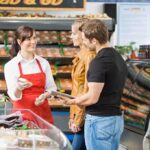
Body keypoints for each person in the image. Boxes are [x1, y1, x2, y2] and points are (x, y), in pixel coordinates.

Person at [59, 19, 128, 150]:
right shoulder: (118, 57)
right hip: (116, 120)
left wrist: (72, 101)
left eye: (85, 39)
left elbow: (92, 97)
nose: (84, 42)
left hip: (100, 121)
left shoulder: (99, 61)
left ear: (94, 40)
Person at [4, 26, 57, 126]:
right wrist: (18, 88)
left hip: (43, 113)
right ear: (19, 42)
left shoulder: (43, 63)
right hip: (22, 115)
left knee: (45, 140)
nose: (33, 42)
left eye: (34, 38)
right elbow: (13, 95)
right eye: (28, 39)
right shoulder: (11, 66)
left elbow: (52, 88)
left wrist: (44, 95)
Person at [69, 19, 96, 150]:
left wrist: (78, 119)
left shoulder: (90, 56)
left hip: (85, 117)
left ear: (83, 34)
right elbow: (76, 90)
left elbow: (87, 90)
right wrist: (72, 116)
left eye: (74, 33)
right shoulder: (80, 55)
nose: (71, 36)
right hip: (79, 114)